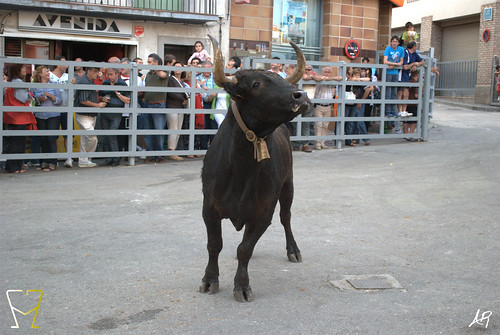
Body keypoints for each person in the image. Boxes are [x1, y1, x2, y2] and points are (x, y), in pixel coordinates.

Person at [3, 63, 37, 174]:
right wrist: (30, 95)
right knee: (18, 142)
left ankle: (14, 166)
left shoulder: (11, 82)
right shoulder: (18, 82)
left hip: (11, 116)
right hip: (18, 116)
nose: (25, 69)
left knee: (13, 141)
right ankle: (14, 167)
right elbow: (23, 98)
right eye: (23, 68)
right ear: (18, 70)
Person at [74, 63, 107, 168]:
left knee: (85, 138)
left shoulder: (89, 82)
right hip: (84, 115)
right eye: (95, 71)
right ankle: (86, 159)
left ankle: (83, 160)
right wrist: (98, 105)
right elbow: (83, 100)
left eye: (98, 71)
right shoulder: (84, 82)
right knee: (92, 137)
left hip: (90, 115)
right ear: (88, 71)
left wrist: (100, 101)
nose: (97, 74)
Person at [31, 65, 62, 171]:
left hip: (53, 115)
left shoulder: (54, 85)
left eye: (49, 71)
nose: (48, 73)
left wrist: (51, 96)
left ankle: (53, 162)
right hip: (40, 115)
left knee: (51, 138)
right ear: (40, 74)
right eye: (46, 71)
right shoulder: (34, 86)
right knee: (43, 138)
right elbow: (32, 101)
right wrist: (39, 100)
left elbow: (60, 101)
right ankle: (44, 161)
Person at [98, 67, 130, 166]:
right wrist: (103, 98)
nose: (109, 77)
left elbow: (128, 100)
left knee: (112, 134)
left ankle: (116, 158)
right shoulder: (106, 83)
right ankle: (109, 159)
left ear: (117, 74)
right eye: (108, 74)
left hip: (116, 112)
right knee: (106, 135)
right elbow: (100, 96)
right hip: (105, 111)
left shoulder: (122, 84)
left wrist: (117, 92)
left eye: (111, 74)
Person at [143, 53, 168, 163]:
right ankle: (151, 155)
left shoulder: (163, 71)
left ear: (156, 63)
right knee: (148, 132)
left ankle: (160, 155)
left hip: (158, 104)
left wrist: (156, 68)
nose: (147, 64)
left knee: (159, 131)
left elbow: (162, 75)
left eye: (149, 62)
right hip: (148, 104)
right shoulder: (148, 74)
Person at [49, 56, 73, 168]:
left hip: (66, 109)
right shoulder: (49, 75)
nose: (67, 66)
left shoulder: (69, 76)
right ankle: (53, 159)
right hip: (53, 110)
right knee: (53, 135)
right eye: (65, 63)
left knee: (68, 134)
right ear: (58, 64)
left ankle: (69, 158)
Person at [291, 64, 320, 152]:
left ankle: (305, 144)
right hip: (297, 103)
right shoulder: (299, 76)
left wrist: (311, 76)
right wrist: (310, 76)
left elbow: (320, 78)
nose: (307, 71)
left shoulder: (314, 77)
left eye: (309, 69)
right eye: (305, 69)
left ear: (312, 70)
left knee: (306, 124)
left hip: (308, 103)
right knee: (295, 124)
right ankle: (295, 144)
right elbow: (303, 77)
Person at [313, 66, 342, 150]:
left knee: (325, 125)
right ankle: (317, 143)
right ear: (322, 72)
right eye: (325, 72)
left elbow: (340, 77)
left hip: (328, 106)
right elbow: (316, 77)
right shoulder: (320, 79)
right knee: (318, 125)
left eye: (329, 72)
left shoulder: (332, 80)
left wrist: (330, 78)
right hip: (319, 105)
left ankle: (322, 142)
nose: (327, 73)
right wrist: (325, 78)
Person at [166, 62, 187, 161]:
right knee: (173, 129)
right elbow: (171, 93)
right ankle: (171, 151)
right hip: (172, 106)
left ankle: (173, 150)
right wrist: (182, 99)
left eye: (180, 66)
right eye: (176, 66)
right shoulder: (171, 79)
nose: (178, 68)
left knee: (178, 129)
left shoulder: (182, 81)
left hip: (180, 107)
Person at [400, 41, 425, 116]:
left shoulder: (414, 54)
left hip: (407, 76)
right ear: (414, 46)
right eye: (416, 45)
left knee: (406, 94)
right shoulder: (405, 52)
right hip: (401, 75)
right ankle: (400, 111)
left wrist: (417, 65)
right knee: (399, 94)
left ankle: (404, 111)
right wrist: (413, 64)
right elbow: (405, 67)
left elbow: (422, 61)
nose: (417, 47)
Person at [345, 68, 369, 146]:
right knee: (353, 122)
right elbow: (348, 81)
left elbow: (368, 85)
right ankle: (355, 139)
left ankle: (366, 138)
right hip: (351, 102)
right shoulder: (351, 81)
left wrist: (361, 101)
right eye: (355, 75)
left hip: (359, 101)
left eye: (358, 75)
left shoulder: (361, 81)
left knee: (359, 120)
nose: (356, 77)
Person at [383, 35, 405, 124]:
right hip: (388, 73)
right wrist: (394, 64)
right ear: (391, 42)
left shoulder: (401, 49)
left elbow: (401, 62)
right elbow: (385, 61)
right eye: (393, 41)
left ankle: (393, 111)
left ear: (398, 43)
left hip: (396, 73)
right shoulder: (388, 49)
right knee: (388, 92)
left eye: (396, 41)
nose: (394, 43)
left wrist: (393, 66)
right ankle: (387, 111)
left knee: (394, 92)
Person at [198, 61, 217, 149]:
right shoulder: (198, 78)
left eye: (209, 68)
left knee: (213, 126)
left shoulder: (216, 78)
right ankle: (203, 148)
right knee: (204, 126)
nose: (207, 70)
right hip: (203, 105)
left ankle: (213, 148)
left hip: (214, 104)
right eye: (205, 68)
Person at [403, 71, 420, 139]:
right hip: (413, 103)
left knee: (405, 120)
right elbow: (416, 95)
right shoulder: (415, 84)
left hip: (406, 103)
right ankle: (410, 134)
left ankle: (405, 133)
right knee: (413, 120)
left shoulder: (407, 82)